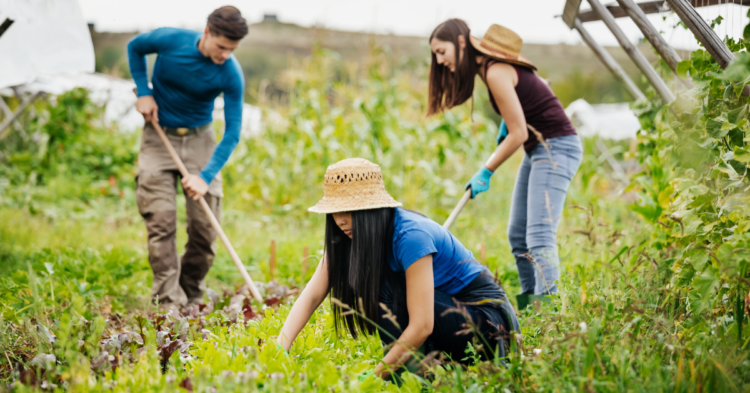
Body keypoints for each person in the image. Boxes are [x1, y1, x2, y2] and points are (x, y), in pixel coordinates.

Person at [276, 158, 519, 379]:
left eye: (348, 210)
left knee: (386, 289)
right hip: (450, 319)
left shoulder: (410, 236)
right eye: (334, 212)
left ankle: (406, 375)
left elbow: (423, 325)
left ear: (371, 209)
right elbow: (312, 295)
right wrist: (280, 347)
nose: (340, 220)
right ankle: (411, 369)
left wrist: (374, 377)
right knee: (375, 282)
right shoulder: (350, 237)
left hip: (490, 327)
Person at [427, 20, 583, 300]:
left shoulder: (495, 70)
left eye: (441, 51)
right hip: (539, 148)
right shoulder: (491, 70)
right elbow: (537, 91)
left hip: (557, 147)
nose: (440, 61)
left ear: (461, 43)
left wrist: (485, 171)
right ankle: (529, 304)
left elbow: (519, 133)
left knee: (539, 236)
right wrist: (509, 120)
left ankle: (548, 314)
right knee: (518, 235)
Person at [127, 6, 248, 307]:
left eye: (231, 50)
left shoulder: (231, 73)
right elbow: (135, 47)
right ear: (207, 32)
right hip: (158, 137)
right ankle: (167, 303)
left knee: (205, 232)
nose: (224, 55)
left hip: (200, 142)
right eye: (221, 47)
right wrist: (144, 91)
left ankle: (191, 293)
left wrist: (204, 177)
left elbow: (232, 133)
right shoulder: (171, 40)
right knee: (161, 221)